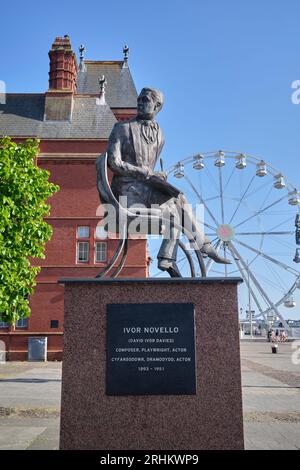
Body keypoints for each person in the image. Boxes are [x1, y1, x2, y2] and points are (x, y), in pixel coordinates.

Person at [106, 87, 231, 277]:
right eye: (139, 99)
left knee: (179, 198)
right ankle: (183, 253)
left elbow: (146, 167)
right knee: (174, 214)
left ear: (157, 106)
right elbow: (113, 163)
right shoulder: (122, 128)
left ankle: (189, 250)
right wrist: (142, 172)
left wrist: (157, 176)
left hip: (147, 190)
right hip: (126, 195)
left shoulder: (160, 135)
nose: (139, 102)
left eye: (145, 100)